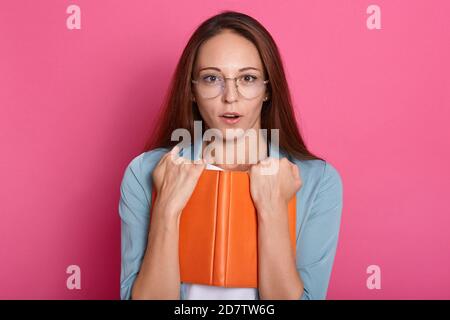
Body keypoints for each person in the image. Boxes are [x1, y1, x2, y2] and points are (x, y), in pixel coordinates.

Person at [119, 10, 343, 300]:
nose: (231, 96)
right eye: (212, 78)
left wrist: (274, 210)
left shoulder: (318, 180)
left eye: (247, 78)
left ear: (267, 90)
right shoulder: (144, 173)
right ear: (191, 91)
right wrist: (166, 210)